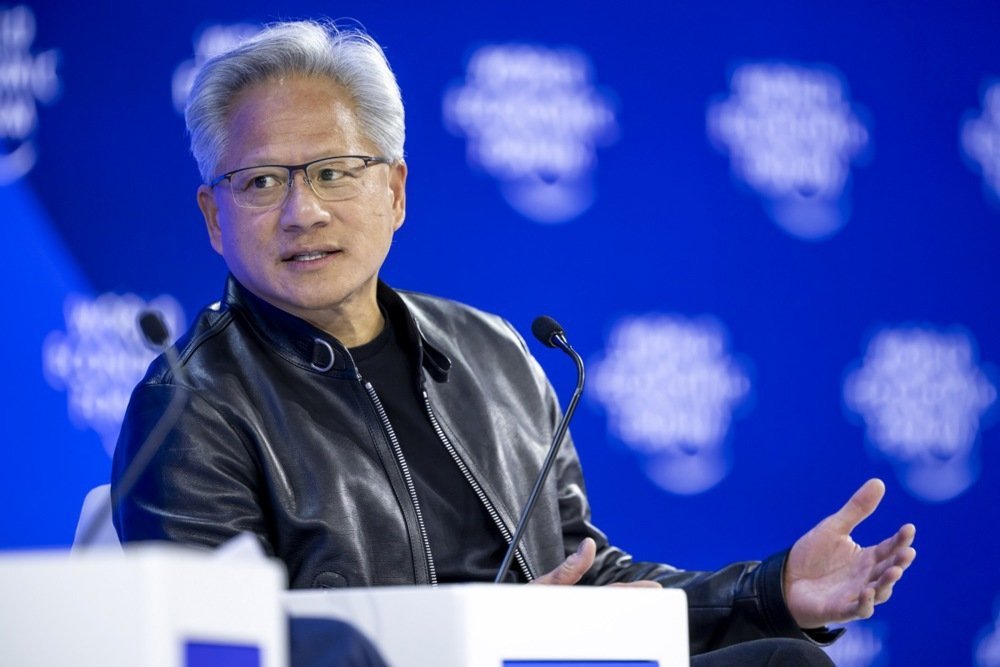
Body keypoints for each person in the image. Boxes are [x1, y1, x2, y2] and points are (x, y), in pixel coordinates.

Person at [112, 20, 916, 666]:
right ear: (214, 218)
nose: (304, 211)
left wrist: (773, 589)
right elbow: (223, 645)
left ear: (394, 191)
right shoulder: (191, 404)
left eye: (333, 171)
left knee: (783, 660)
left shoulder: (491, 353)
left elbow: (585, 575)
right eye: (261, 181)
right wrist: (481, 634)